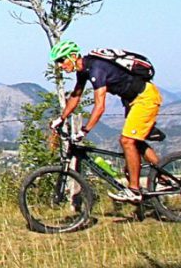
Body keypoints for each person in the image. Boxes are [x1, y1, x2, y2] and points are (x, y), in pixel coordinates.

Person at [50, 39, 162, 203]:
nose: (60, 65)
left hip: (145, 98)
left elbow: (100, 106)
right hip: (133, 100)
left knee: (127, 141)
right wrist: (60, 119)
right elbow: (75, 96)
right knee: (135, 142)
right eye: (57, 62)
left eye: (62, 60)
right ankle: (163, 175)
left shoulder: (96, 69)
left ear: (73, 56)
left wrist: (84, 130)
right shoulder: (83, 70)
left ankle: (134, 191)